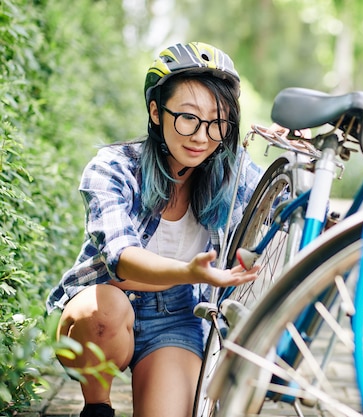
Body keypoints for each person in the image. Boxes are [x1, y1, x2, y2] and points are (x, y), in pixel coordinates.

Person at [46, 42, 262, 417]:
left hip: (177, 314)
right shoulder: (113, 167)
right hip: (108, 300)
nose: (202, 136)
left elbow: (281, 202)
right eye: (188, 117)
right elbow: (122, 258)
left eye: (218, 121)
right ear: (155, 111)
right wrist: (188, 271)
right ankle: (96, 407)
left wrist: (302, 164)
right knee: (104, 315)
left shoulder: (231, 171)